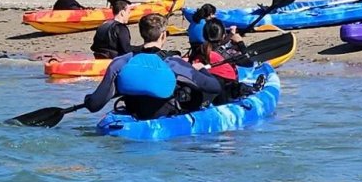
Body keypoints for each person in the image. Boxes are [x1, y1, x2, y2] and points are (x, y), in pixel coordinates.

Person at [83, 14, 249, 120]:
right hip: (163, 118)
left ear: (141, 34)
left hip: (134, 115)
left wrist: (88, 99)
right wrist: (202, 69)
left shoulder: (120, 62)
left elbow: (94, 105)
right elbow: (213, 87)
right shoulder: (173, 62)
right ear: (163, 35)